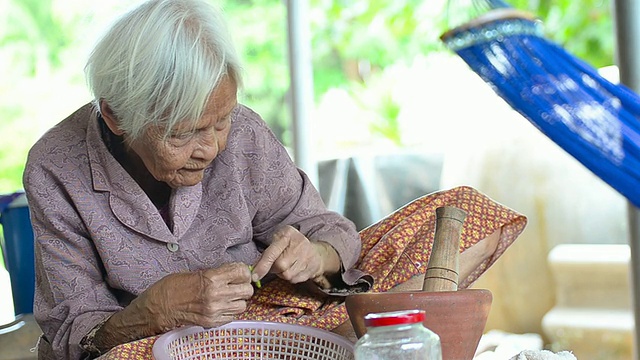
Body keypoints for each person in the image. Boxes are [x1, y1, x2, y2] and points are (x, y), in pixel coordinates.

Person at [23, 0, 527, 359]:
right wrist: (154, 313)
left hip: (282, 322)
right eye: (185, 134)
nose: (212, 147)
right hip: (160, 346)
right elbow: (73, 334)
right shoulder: (56, 168)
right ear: (115, 117)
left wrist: (318, 256)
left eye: (219, 123)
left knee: (463, 211)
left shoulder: (242, 131)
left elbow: (326, 227)